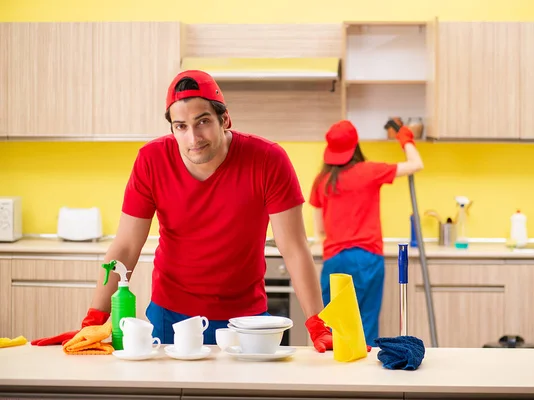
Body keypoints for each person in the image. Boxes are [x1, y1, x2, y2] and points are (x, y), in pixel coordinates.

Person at [31, 70, 333, 353]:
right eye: (181, 126)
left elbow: (293, 247)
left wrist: (317, 323)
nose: (193, 138)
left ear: (224, 119)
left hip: (246, 321)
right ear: (172, 127)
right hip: (168, 317)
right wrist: (94, 319)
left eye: (203, 121)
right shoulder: (151, 160)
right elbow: (125, 246)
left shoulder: (268, 159)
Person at [309, 119, 424, 347]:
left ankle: (330, 381)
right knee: (366, 325)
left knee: (333, 330)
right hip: (367, 260)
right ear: (355, 146)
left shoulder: (322, 181)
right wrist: (405, 140)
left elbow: (319, 230)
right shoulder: (370, 171)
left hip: (335, 261)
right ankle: (364, 380)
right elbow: (415, 164)